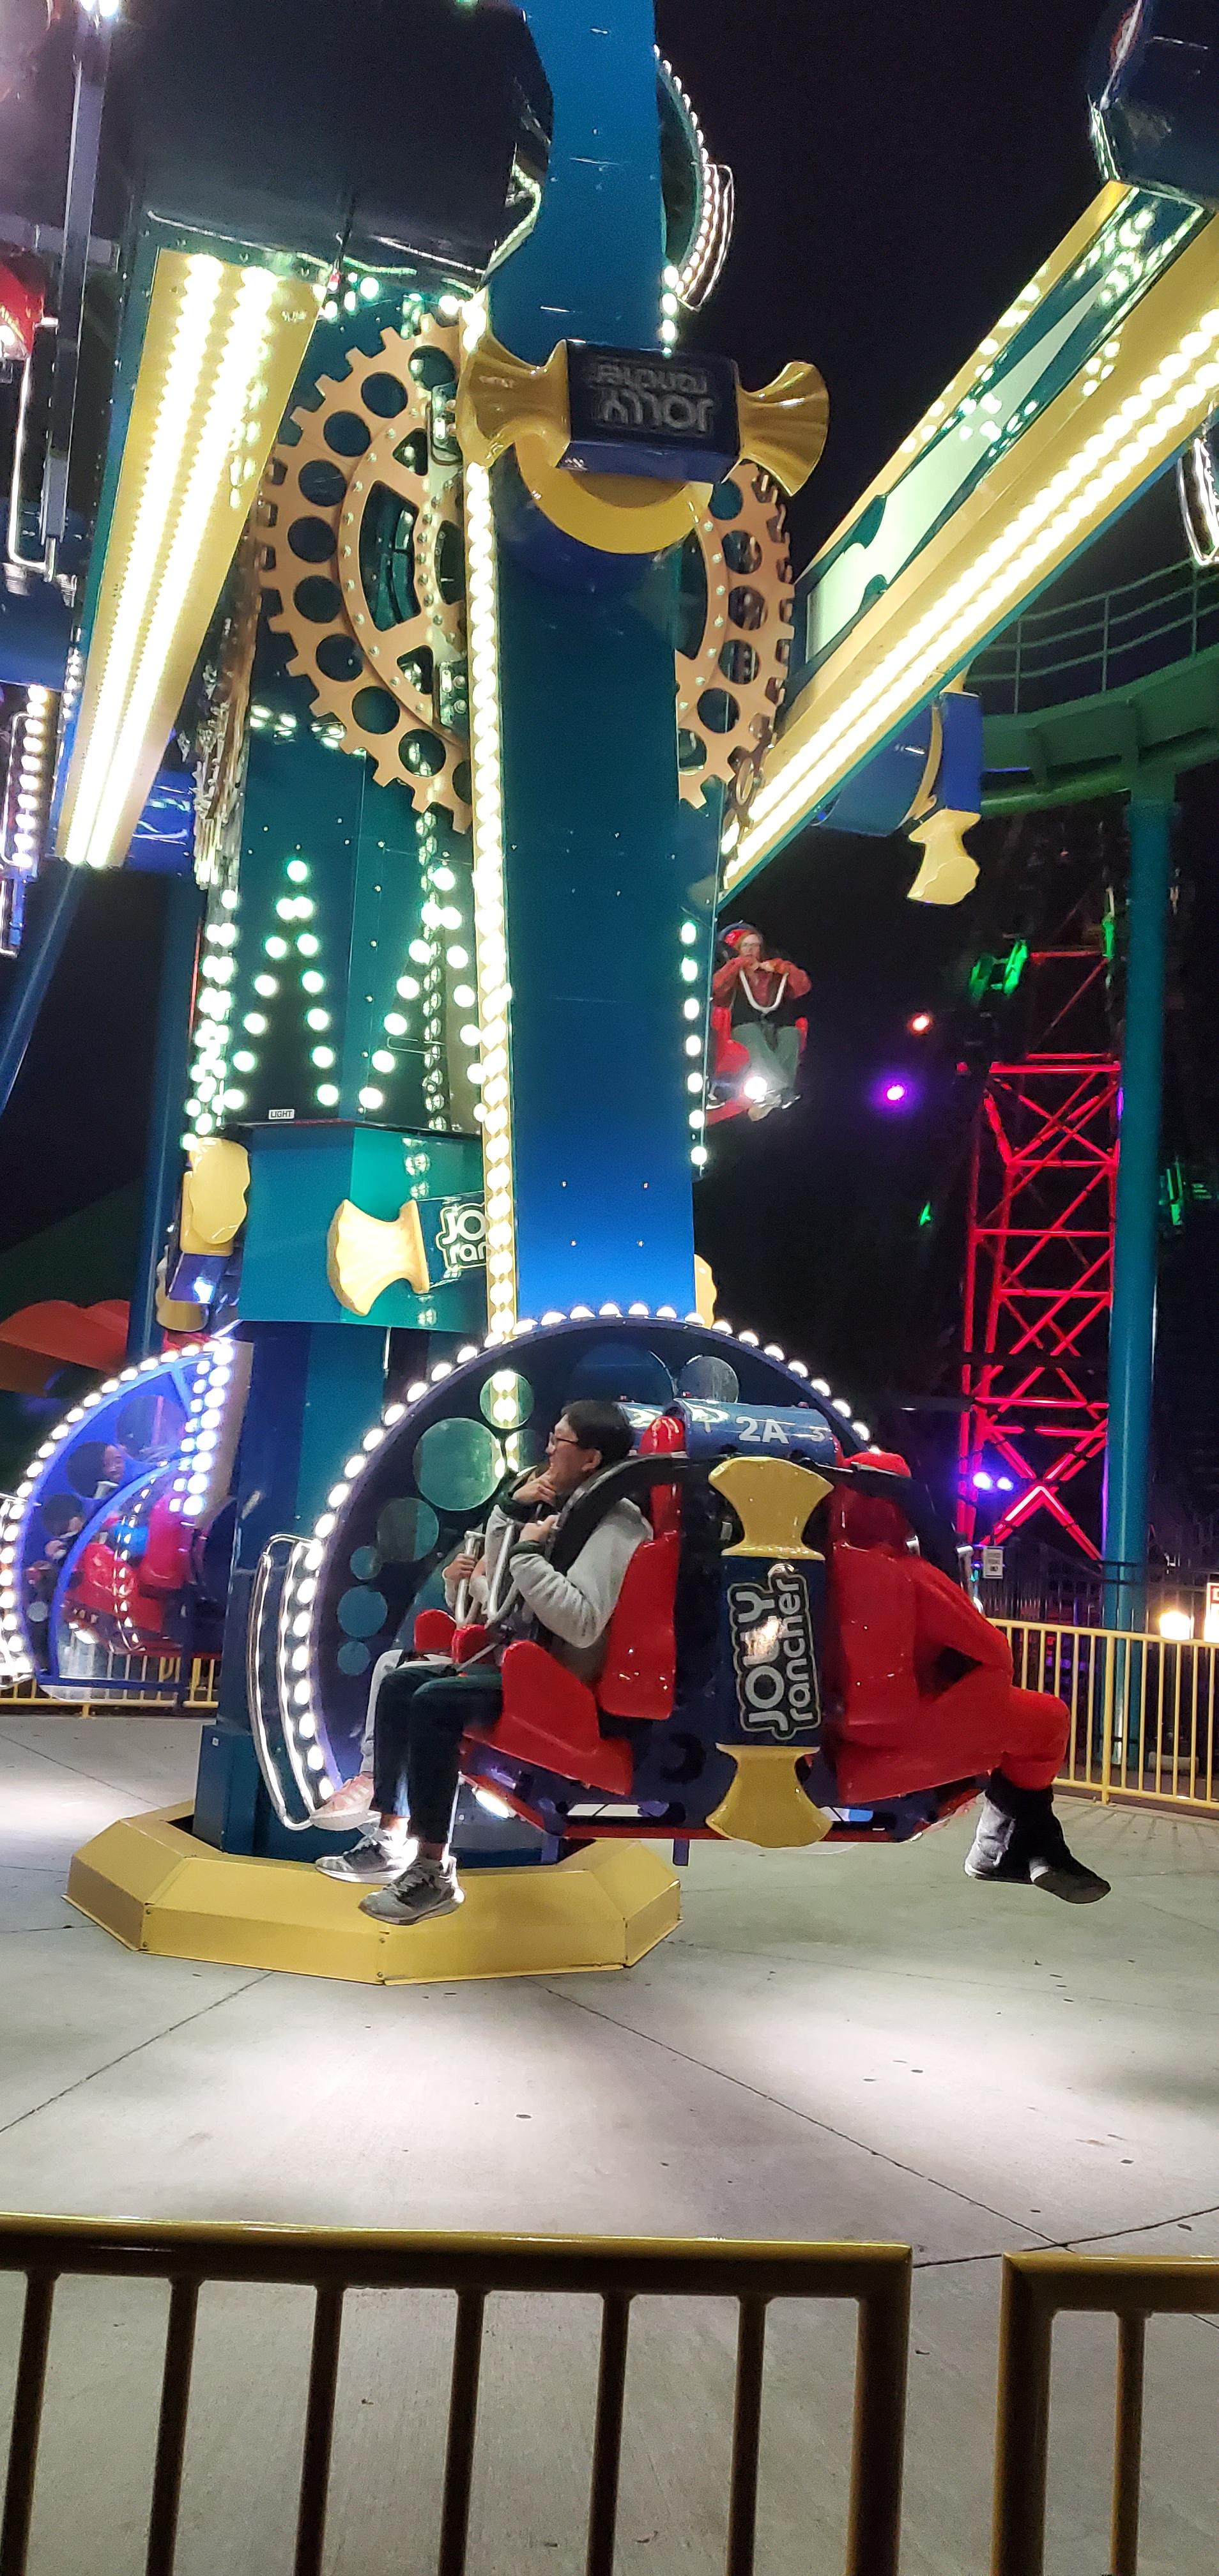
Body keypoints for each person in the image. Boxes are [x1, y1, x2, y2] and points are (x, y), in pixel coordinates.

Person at [317, 1399, 648, 1925]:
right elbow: (498, 1598)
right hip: (523, 1663)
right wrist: (510, 1513)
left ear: (590, 1458)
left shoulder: (615, 1524)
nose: (548, 1450)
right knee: (401, 1683)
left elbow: (582, 1622)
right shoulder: (565, 1509)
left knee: (435, 1703)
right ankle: (392, 1837)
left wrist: (526, 1556)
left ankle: (433, 1870)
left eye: (559, 1441)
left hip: (562, 1685)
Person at [825, 1470, 1110, 1903]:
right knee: (1047, 1720)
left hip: (826, 1738)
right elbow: (993, 1651)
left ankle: (1026, 1848)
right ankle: (1011, 1848)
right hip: (889, 1749)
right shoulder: (913, 1576)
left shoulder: (806, 1575)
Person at [711, 923, 810, 1116]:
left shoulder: (771, 972)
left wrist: (782, 967)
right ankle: (780, 1090)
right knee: (750, 1031)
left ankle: (774, 1094)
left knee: (792, 1034)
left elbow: (802, 987)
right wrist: (738, 963)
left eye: (755, 945)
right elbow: (716, 988)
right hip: (741, 1029)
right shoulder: (731, 971)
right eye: (746, 945)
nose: (751, 950)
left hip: (770, 1027)